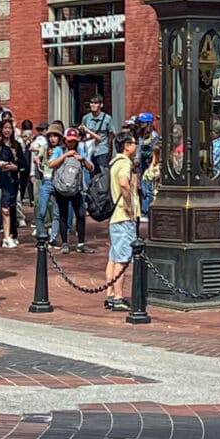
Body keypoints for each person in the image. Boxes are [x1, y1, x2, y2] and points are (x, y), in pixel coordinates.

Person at [105, 131, 140, 313]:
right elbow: (124, 184)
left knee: (113, 257)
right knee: (122, 259)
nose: (136, 146)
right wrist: (129, 206)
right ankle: (118, 296)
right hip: (123, 217)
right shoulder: (125, 163)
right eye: (134, 143)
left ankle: (110, 293)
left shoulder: (114, 162)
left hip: (114, 218)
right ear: (126, 145)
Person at [48, 127, 92, 253]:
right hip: (61, 188)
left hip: (76, 188)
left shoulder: (81, 150)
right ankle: (65, 243)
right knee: (63, 215)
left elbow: (91, 167)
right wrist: (65, 155)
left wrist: (82, 159)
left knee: (81, 215)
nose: (71, 143)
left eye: (73, 140)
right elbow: (51, 164)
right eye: (69, 140)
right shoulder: (59, 150)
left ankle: (81, 243)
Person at [0, 119, 25, 247]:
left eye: (9, 128)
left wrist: (14, 166)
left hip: (11, 179)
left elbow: (23, 163)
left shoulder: (16, 145)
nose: (7, 131)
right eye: (4, 128)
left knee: (11, 206)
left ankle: (12, 234)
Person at [80, 94, 113, 175]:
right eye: (91, 103)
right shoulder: (86, 118)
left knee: (102, 174)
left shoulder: (107, 118)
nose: (93, 105)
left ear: (101, 105)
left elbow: (111, 136)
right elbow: (83, 133)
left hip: (102, 150)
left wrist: (110, 152)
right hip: (90, 151)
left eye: (96, 103)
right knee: (90, 173)